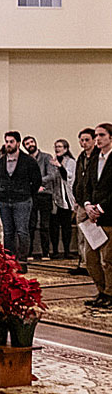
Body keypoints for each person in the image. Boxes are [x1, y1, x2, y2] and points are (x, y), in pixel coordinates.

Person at [0, 132, 42, 263]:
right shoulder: (0, 162)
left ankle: (22, 259)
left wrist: (27, 193)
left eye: (11, 142)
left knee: (22, 231)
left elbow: (36, 180)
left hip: (22, 200)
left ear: (18, 143)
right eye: (7, 141)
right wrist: (4, 191)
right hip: (5, 200)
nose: (8, 144)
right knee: (8, 232)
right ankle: (9, 260)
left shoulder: (28, 161)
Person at [82, 123, 112, 309]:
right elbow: (86, 185)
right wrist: (87, 205)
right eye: (96, 135)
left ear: (111, 137)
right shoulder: (94, 159)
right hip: (93, 217)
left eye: (102, 135)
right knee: (90, 258)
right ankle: (101, 291)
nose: (98, 138)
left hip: (109, 215)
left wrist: (100, 207)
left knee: (108, 260)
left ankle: (110, 293)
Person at [23, 135, 57, 260]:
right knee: (30, 224)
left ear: (35, 142)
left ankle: (46, 252)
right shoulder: (25, 160)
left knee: (45, 225)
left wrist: (37, 183)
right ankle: (30, 253)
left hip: (45, 194)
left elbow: (52, 175)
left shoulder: (46, 157)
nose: (30, 144)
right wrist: (33, 186)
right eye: (27, 143)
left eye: (31, 142)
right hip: (32, 195)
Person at [73, 128, 97, 277]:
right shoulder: (81, 157)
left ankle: (93, 263)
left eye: (87, 140)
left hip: (93, 202)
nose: (84, 143)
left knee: (93, 235)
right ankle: (83, 262)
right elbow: (78, 179)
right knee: (81, 234)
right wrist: (76, 197)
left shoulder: (97, 157)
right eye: (81, 140)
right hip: (81, 201)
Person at [49, 138, 76, 260]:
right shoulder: (51, 161)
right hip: (55, 198)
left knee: (66, 226)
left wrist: (60, 166)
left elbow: (69, 177)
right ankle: (54, 251)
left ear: (65, 148)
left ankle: (67, 250)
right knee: (54, 226)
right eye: (56, 146)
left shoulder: (70, 162)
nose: (57, 149)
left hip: (66, 199)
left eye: (60, 146)